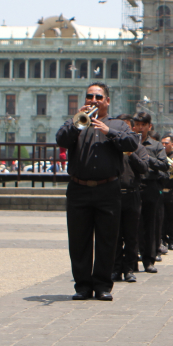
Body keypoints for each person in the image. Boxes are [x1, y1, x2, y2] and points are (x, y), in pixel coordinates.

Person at [56, 82, 139, 301]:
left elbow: (132, 142)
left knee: (107, 240)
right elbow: (61, 140)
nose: (93, 101)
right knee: (79, 239)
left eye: (98, 97)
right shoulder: (76, 122)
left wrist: (109, 132)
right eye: (89, 96)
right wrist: (76, 122)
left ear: (107, 101)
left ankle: (103, 285)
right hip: (78, 188)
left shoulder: (118, 124)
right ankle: (82, 286)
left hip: (108, 189)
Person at [112, 114, 149, 283]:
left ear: (131, 129)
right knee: (114, 235)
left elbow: (143, 168)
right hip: (114, 195)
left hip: (132, 195)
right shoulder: (112, 146)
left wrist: (131, 153)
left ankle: (129, 269)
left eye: (126, 127)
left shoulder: (139, 148)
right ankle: (115, 269)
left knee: (131, 235)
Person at [132, 112, 168, 273]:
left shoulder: (156, 145)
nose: (140, 128)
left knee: (150, 225)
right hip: (133, 187)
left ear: (149, 126)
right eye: (137, 125)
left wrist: (146, 157)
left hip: (150, 187)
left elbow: (163, 165)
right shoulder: (129, 142)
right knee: (132, 226)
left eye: (143, 125)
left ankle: (149, 260)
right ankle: (131, 261)